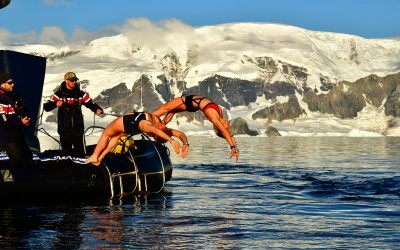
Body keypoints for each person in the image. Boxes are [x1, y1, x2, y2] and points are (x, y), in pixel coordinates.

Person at [151, 95, 239, 161]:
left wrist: (231, 146)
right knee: (171, 112)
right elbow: (228, 134)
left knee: (162, 110)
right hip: (191, 103)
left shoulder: (214, 118)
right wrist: (235, 147)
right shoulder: (220, 116)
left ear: (221, 128)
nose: (229, 124)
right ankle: (158, 131)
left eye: (228, 126)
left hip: (186, 102)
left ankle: (144, 120)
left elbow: (224, 132)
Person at [85, 111, 188, 166]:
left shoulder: (149, 125)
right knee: (117, 136)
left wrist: (172, 141)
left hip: (125, 123)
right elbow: (180, 134)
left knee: (106, 134)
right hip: (130, 127)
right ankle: (101, 157)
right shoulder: (164, 128)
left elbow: (156, 131)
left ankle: (94, 156)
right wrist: (184, 143)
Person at [43, 72, 103, 157]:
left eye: (75, 80)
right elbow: (46, 107)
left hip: (78, 129)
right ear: (66, 80)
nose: (74, 82)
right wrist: (55, 104)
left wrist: (97, 109)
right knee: (66, 155)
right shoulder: (58, 95)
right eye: (71, 80)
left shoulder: (81, 94)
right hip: (64, 129)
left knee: (80, 154)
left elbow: (91, 103)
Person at [0, 71, 33, 165]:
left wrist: (25, 118)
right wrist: (21, 122)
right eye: (9, 83)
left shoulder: (14, 95)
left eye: (12, 82)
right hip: (7, 138)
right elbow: (4, 123)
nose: (13, 84)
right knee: (18, 162)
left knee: (28, 157)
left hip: (18, 134)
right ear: (1, 83)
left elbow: (22, 111)